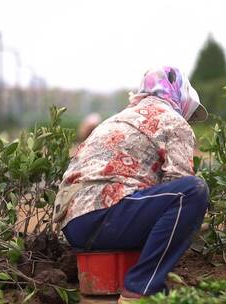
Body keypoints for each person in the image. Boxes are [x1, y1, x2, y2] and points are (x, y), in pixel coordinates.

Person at [53, 66, 209, 303]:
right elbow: (179, 181)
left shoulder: (116, 118)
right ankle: (140, 289)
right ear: (180, 96)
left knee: (165, 197)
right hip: (108, 217)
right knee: (192, 192)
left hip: (74, 227)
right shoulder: (174, 122)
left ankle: (128, 281)